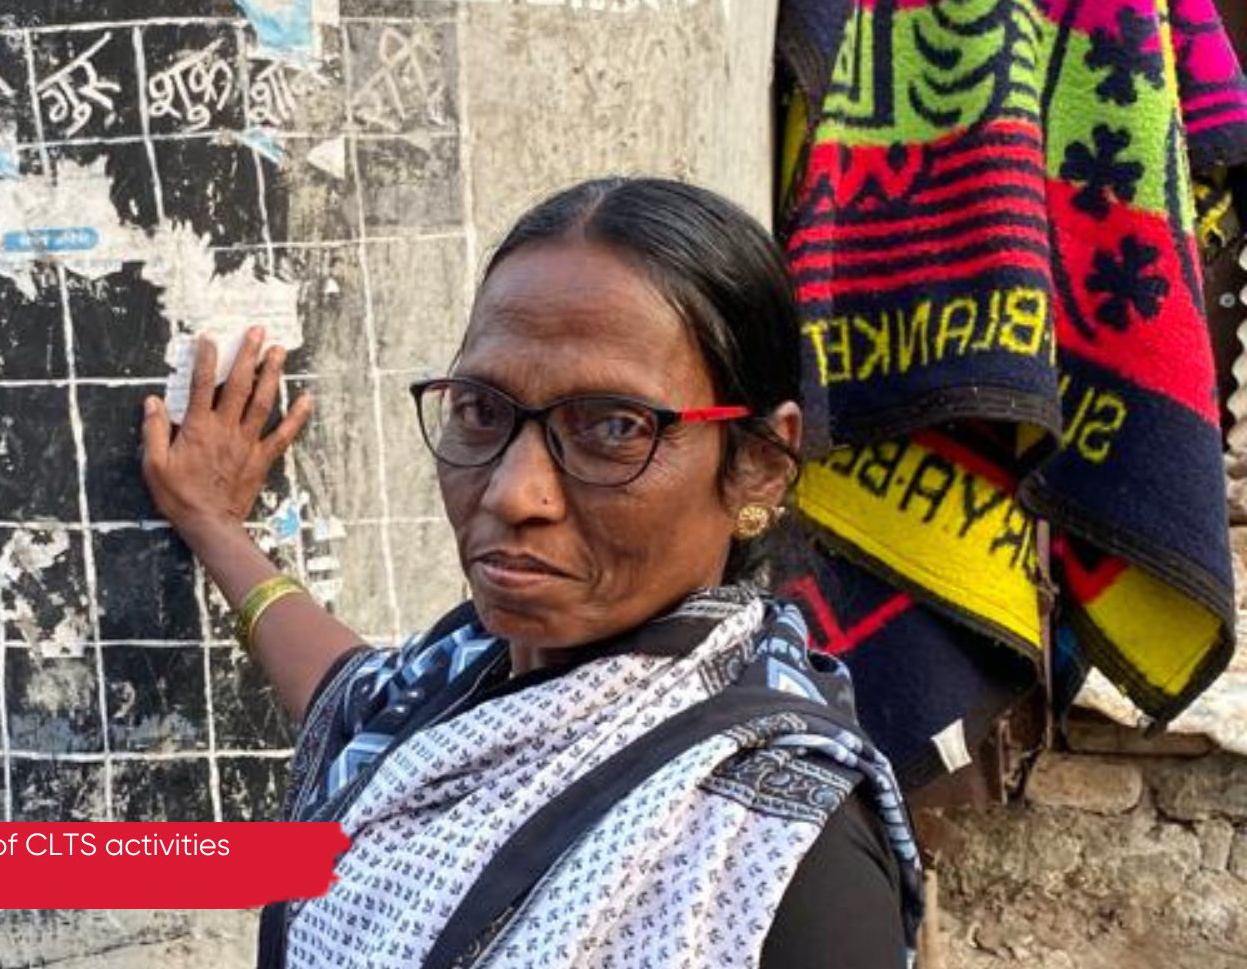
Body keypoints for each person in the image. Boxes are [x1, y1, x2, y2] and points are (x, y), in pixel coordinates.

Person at [140, 177, 920, 968]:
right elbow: (349, 692)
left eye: (615, 427)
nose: (515, 492)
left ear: (757, 462)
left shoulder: (779, 849)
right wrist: (213, 524)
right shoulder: (460, 688)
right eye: (481, 410)